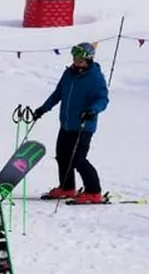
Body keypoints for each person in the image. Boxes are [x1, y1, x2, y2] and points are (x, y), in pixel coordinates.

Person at [29, 42, 108, 203]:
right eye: (75, 58)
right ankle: (67, 188)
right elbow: (58, 93)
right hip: (66, 124)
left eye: (80, 60)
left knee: (78, 159)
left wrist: (92, 111)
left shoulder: (95, 77)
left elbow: (102, 99)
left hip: (83, 126)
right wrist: (43, 109)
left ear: (89, 60)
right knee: (62, 157)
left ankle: (94, 192)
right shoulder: (69, 74)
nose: (76, 62)